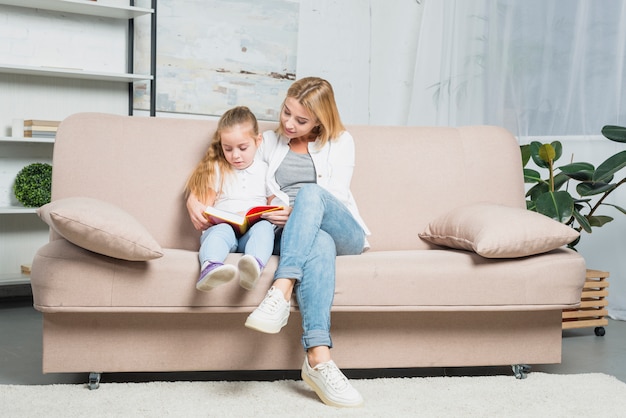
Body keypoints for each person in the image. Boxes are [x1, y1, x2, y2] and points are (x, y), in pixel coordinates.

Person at [186, 77, 370, 408]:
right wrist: (192, 199)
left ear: (320, 121)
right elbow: (221, 159)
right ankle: (319, 360)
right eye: (286, 112)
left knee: (314, 198)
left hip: (339, 225)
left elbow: (337, 196)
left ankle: (280, 290)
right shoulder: (268, 140)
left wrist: (297, 210)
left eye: (301, 120)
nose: (288, 123)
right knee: (319, 244)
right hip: (290, 234)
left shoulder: (342, 142)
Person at [184, 106, 275, 292]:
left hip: (250, 232)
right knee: (221, 230)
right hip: (223, 230)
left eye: (243, 148)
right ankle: (210, 267)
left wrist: (262, 215)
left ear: (258, 141)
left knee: (265, 228)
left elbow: (273, 205)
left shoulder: (265, 170)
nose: (235, 155)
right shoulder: (218, 169)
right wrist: (204, 215)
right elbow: (205, 207)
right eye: (228, 149)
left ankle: (254, 266)